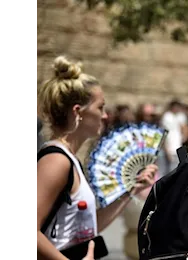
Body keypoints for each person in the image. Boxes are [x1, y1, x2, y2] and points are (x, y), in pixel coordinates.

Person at [36, 56, 159, 260]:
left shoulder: (69, 159)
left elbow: (89, 228)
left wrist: (131, 190)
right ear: (78, 112)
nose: (104, 116)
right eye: (100, 107)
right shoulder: (56, 160)